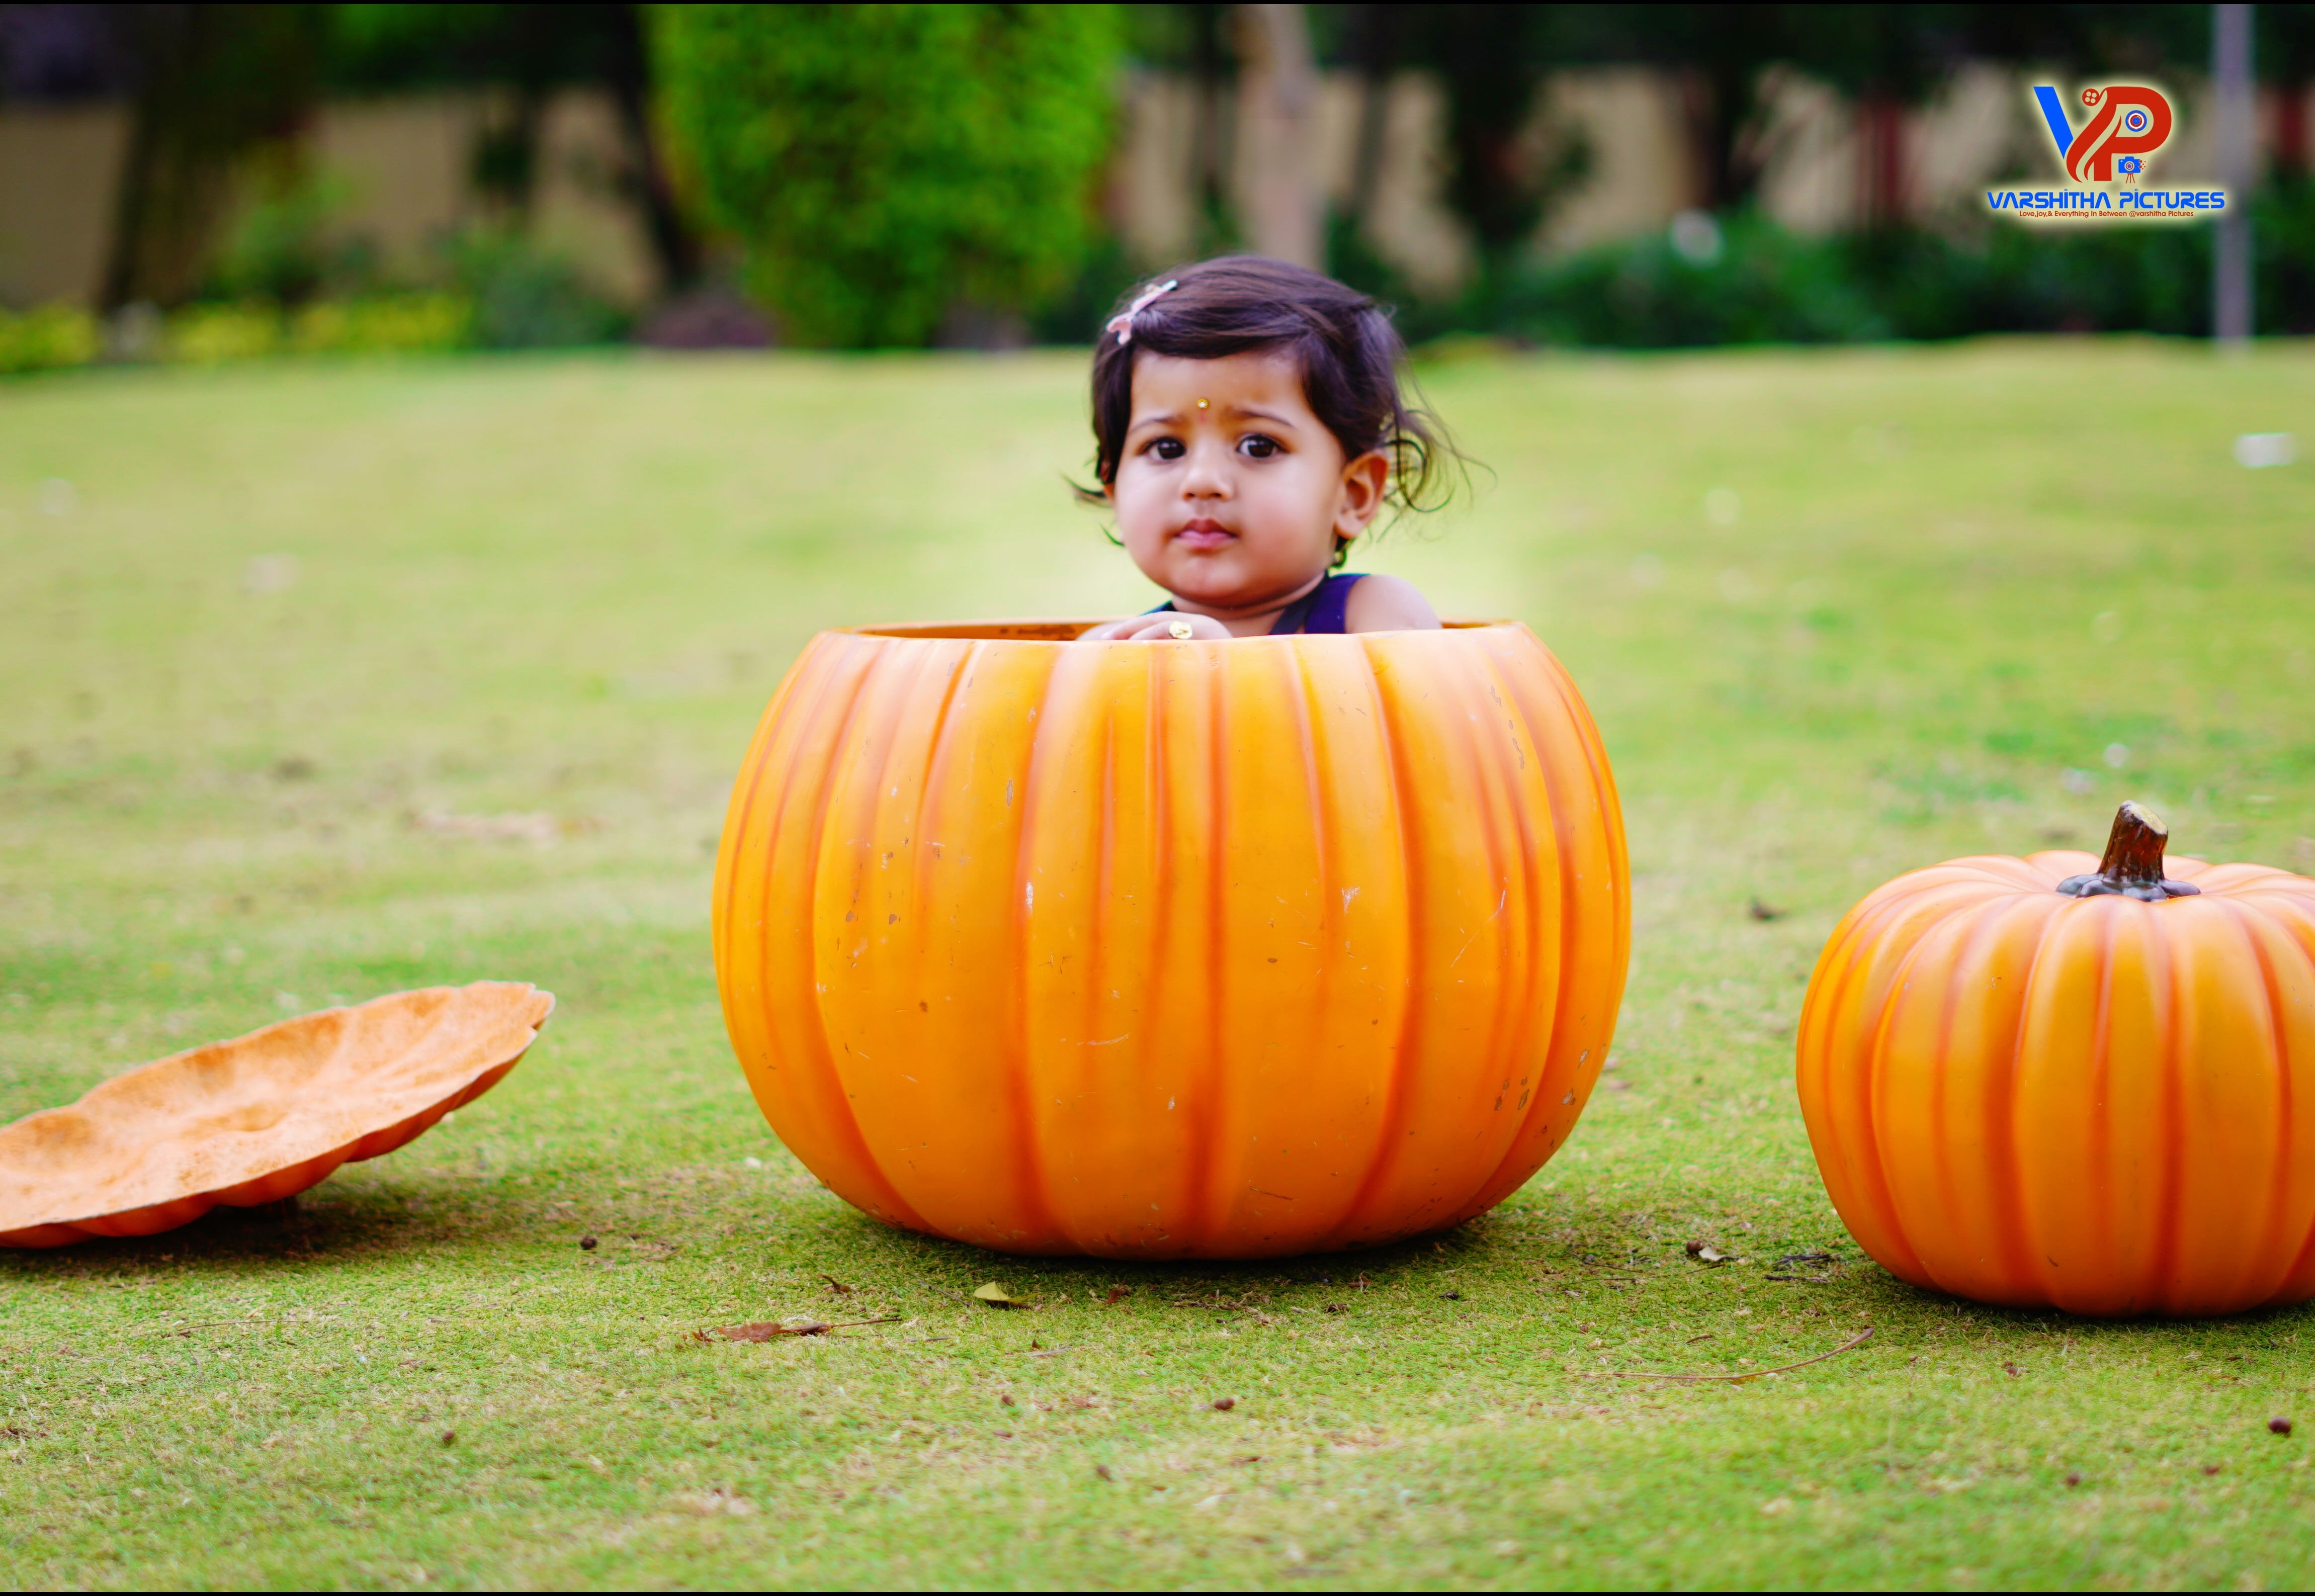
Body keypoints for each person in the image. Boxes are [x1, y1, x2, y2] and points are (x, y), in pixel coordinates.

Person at [1072, 256, 1461, 641]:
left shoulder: (1376, 614)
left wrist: (1227, 672)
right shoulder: (1113, 652)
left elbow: (1402, 704)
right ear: (1114, 489)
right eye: (1166, 448)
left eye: (1258, 447)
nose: (1203, 481)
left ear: (1353, 495)